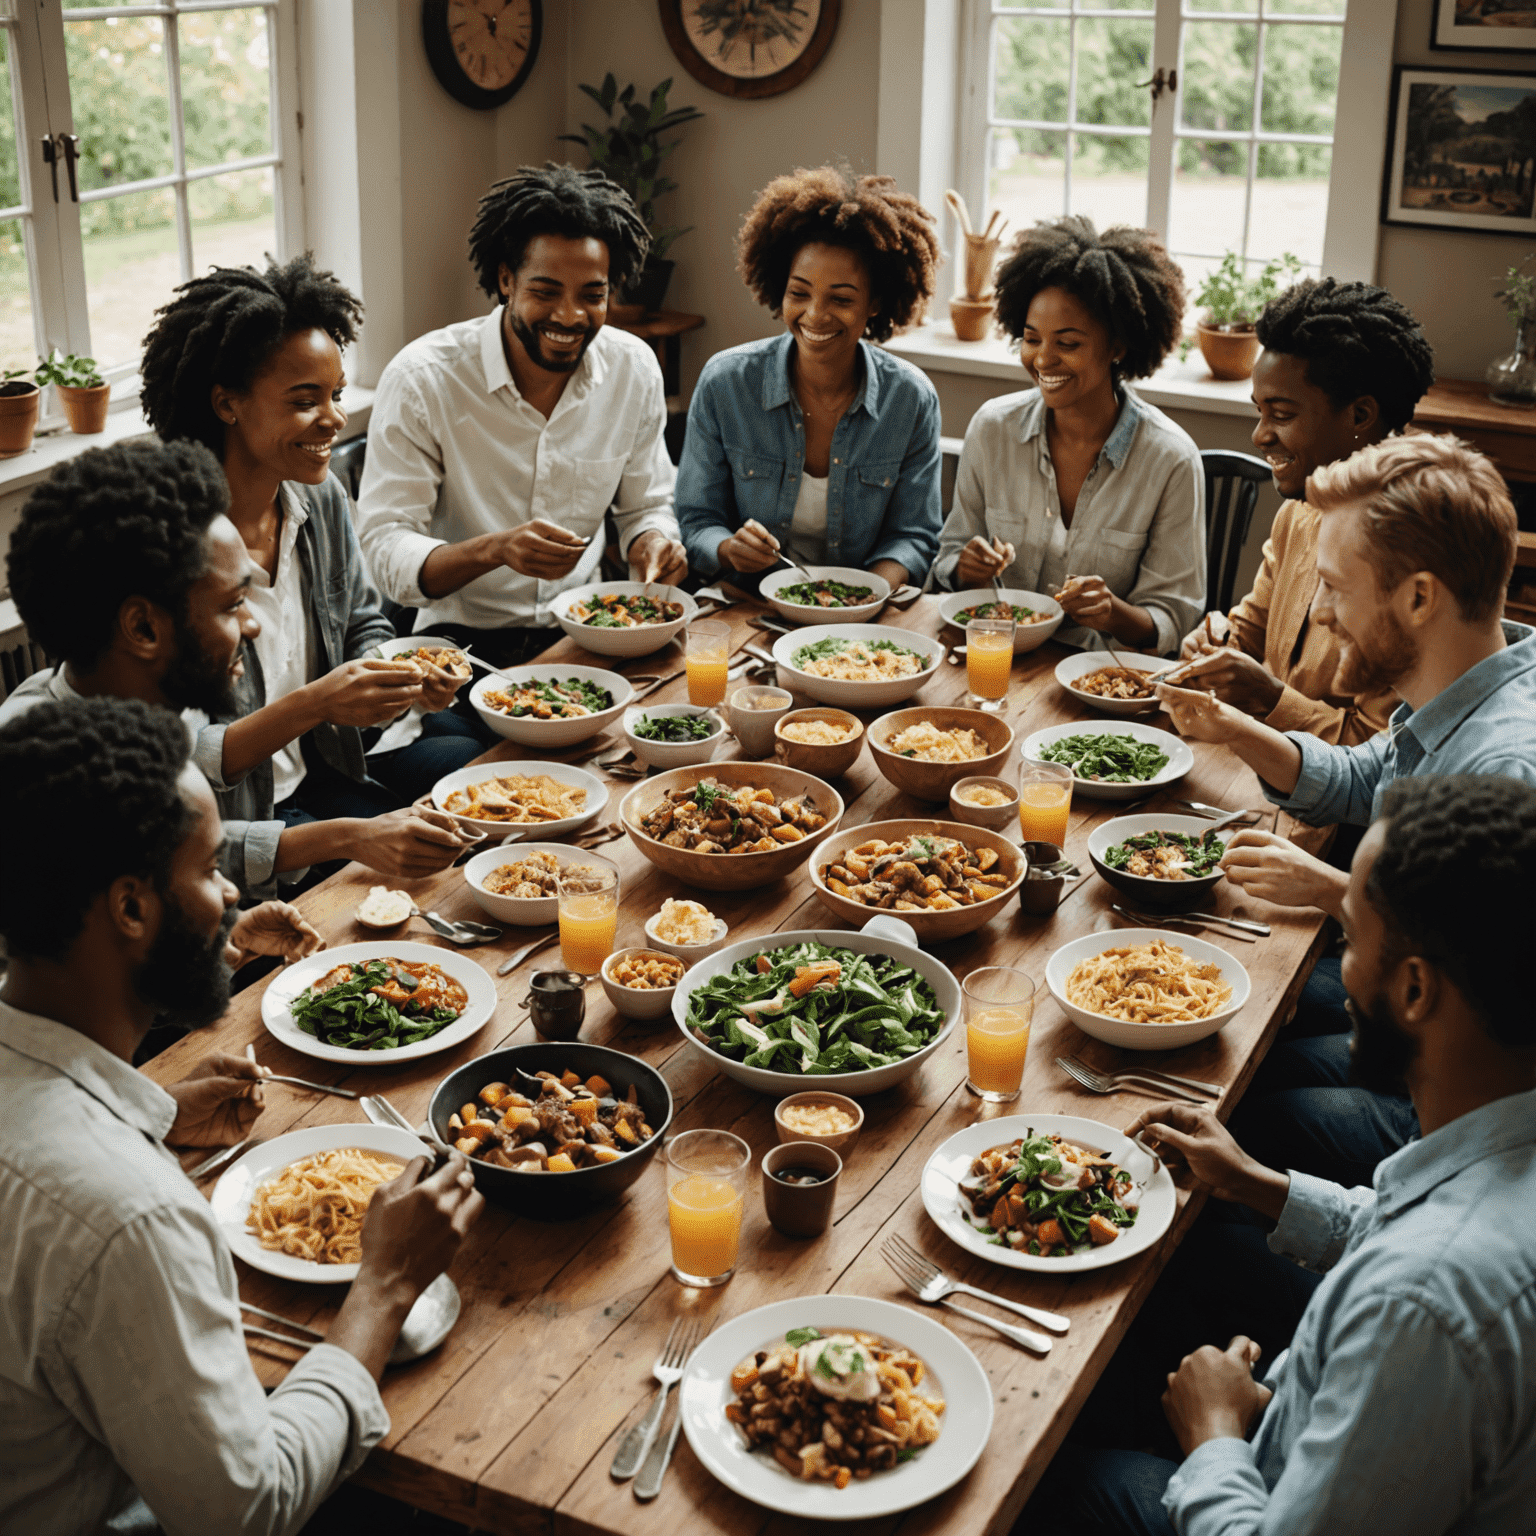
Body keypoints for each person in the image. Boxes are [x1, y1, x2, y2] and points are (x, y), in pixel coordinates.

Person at [0, 696, 484, 1535]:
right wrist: (383, 1284)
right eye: (209, 866)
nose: (227, 891)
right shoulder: (130, 1216)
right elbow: (249, 1508)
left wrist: (154, 1115)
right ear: (129, 909)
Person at [1026, 773, 1536, 1536]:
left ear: (1418, 990)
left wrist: (1215, 1436)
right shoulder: (1497, 1145)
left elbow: (1420, 1281)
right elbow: (1407, 1224)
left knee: (1048, 1484)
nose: (1342, 971)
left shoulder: (1420, 1305)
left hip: (1255, 1484)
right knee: (1206, 1252)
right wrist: (1256, 1184)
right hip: (1317, 1431)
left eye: (1352, 938)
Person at [2, 439, 470, 896]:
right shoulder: (42, 770)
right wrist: (348, 836)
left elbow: (185, 812)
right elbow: (166, 860)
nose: (251, 626)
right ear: (143, 629)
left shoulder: (147, 696)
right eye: (233, 605)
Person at [139, 254, 486, 821]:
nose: (334, 419)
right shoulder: (169, 547)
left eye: (336, 395)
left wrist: (394, 679)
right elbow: (186, 758)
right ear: (227, 402)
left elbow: (362, 622)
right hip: (239, 813)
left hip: (326, 766)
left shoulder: (319, 498)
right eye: (305, 402)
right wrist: (317, 702)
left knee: (474, 768)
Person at [1158, 432, 1536, 924]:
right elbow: (1359, 781)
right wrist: (1233, 725)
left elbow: (1473, 963)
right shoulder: (1457, 689)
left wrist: (1329, 889)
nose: (1318, 613)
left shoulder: (1504, 776)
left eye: (1334, 588)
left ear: (1419, 599)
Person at [355, 164, 688, 672]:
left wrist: (654, 544)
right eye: (546, 292)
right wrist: (494, 551)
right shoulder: (424, 380)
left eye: (592, 295)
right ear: (506, 280)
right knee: (454, 757)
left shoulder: (634, 368)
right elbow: (384, 549)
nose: (570, 316)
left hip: (588, 634)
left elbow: (647, 506)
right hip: (456, 646)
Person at [1173, 279, 1435, 746]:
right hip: (1267, 776)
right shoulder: (1300, 511)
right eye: (1259, 411)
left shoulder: (1409, 555)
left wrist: (1268, 698)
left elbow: (1378, 753)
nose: (1259, 435)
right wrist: (1217, 646)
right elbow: (1249, 629)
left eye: (1282, 414)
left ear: (1360, 416)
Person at [933, 216, 1204, 654]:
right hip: (994, 657)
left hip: (1095, 678)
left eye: (1068, 344)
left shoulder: (1170, 459)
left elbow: (1173, 620)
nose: (1043, 360)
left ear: (1117, 347)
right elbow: (949, 561)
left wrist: (1112, 611)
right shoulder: (992, 430)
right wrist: (967, 569)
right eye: (1031, 338)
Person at [675, 165, 943, 590]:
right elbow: (696, 519)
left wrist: (860, 596)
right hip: (746, 608)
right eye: (799, 293)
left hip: (862, 621)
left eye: (840, 298)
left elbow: (914, 536)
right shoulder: (725, 383)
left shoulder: (909, 399)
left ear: (875, 302)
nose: (815, 315)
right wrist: (728, 550)